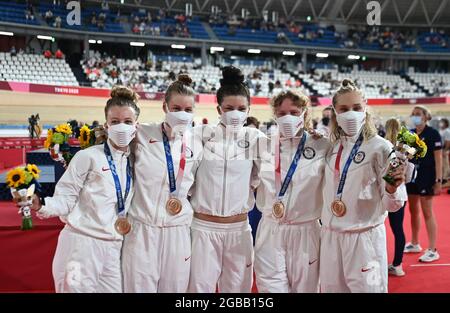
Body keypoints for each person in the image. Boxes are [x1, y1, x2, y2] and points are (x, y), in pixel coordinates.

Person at [30, 86, 140, 292]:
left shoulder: (134, 162)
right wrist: (42, 205)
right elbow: (65, 198)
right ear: (106, 126)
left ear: (136, 126)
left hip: (114, 247)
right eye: (115, 122)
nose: (121, 127)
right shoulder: (87, 157)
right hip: (80, 245)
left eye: (127, 122)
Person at [320, 79, 407, 293]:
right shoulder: (330, 147)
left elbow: (394, 205)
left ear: (365, 108)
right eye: (344, 109)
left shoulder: (381, 147)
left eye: (356, 108)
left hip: (365, 239)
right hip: (330, 237)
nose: (351, 114)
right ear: (335, 112)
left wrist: (392, 189)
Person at [121, 74, 203, 292]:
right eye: (176, 108)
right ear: (165, 106)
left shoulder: (197, 143)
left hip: (178, 231)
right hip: (142, 229)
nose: (182, 114)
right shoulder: (141, 134)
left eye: (188, 110)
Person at [188, 66, 266, 293]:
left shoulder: (256, 138)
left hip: (239, 230)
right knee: (197, 291)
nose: (235, 113)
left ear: (249, 109)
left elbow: (275, 173)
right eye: (229, 108)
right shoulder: (199, 135)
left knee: (237, 294)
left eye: (241, 108)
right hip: (202, 228)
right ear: (218, 109)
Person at [254, 90, 330, 292]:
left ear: (304, 113)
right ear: (275, 115)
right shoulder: (262, 145)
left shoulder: (322, 145)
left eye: (294, 112)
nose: (287, 118)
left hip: (306, 230)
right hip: (271, 229)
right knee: (270, 289)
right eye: (281, 113)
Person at [404, 105, 442, 262]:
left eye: (418, 114)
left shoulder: (433, 134)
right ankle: (415, 243)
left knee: (427, 212)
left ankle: (433, 249)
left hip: (427, 177)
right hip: (412, 177)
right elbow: (409, 156)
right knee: (413, 211)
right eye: (413, 114)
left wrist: (439, 180)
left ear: (426, 116)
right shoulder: (411, 134)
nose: (415, 116)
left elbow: (438, 159)